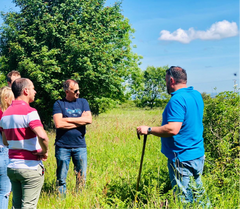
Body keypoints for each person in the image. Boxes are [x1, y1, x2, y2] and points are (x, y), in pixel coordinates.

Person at [137, 66, 209, 206]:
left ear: (171, 80)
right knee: (199, 194)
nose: (165, 84)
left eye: (165, 81)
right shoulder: (196, 95)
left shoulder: (177, 100)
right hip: (197, 154)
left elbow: (172, 129)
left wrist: (149, 129)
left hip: (181, 157)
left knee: (185, 200)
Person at [0, 78, 49, 209]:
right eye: (33, 88)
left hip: (12, 167)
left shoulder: (5, 114)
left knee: (16, 205)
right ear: (26, 91)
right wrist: (44, 151)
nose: (35, 91)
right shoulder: (30, 112)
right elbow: (43, 136)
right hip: (30, 166)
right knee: (28, 206)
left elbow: (5, 141)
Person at [53, 79, 92, 197]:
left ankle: (79, 199)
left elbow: (89, 120)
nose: (78, 93)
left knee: (81, 177)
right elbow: (58, 124)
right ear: (67, 91)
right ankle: (61, 200)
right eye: (75, 90)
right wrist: (80, 120)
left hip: (80, 146)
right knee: (61, 178)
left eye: (79, 90)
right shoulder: (59, 104)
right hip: (62, 146)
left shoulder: (83, 102)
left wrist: (67, 119)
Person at [0, 87, 14, 209]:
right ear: (6, 98)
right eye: (12, 99)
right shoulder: (4, 115)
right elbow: (6, 140)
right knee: (4, 191)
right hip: (3, 152)